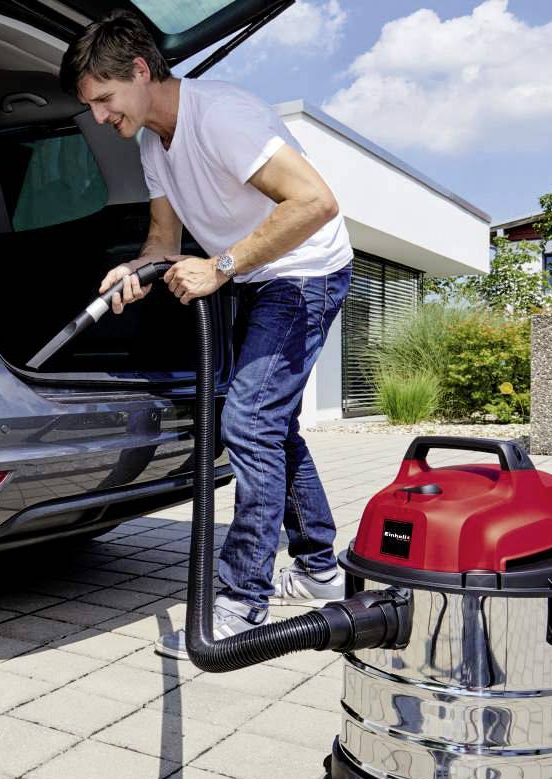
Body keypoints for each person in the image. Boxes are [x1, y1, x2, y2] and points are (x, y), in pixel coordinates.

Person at [60, 10, 353, 659]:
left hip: (305, 271)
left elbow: (315, 202)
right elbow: (163, 241)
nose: (103, 117)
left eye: (105, 100)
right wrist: (133, 270)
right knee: (271, 420)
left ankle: (242, 598)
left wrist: (221, 265)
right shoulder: (151, 145)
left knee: (249, 420)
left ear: (140, 71)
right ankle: (319, 567)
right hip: (257, 276)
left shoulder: (221, 116)